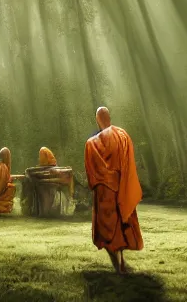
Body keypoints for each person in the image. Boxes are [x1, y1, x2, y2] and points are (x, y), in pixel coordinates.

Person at [84, 107, 143, 273]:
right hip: (120, 186)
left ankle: (117, 265)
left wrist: (97, 183)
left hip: (103, 192)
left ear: (98, 119)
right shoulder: (121, 135)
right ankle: (121, 261)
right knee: (121, 224)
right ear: (109, 117)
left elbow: (91, 172)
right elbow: (128, 163)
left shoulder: (91, 144)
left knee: (107, 229)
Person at [0, 147, 18, 215]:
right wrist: (11, 180)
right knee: (12, 187)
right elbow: (3, 184)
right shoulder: (3, 167)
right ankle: (3, 208)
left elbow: (2, 180)